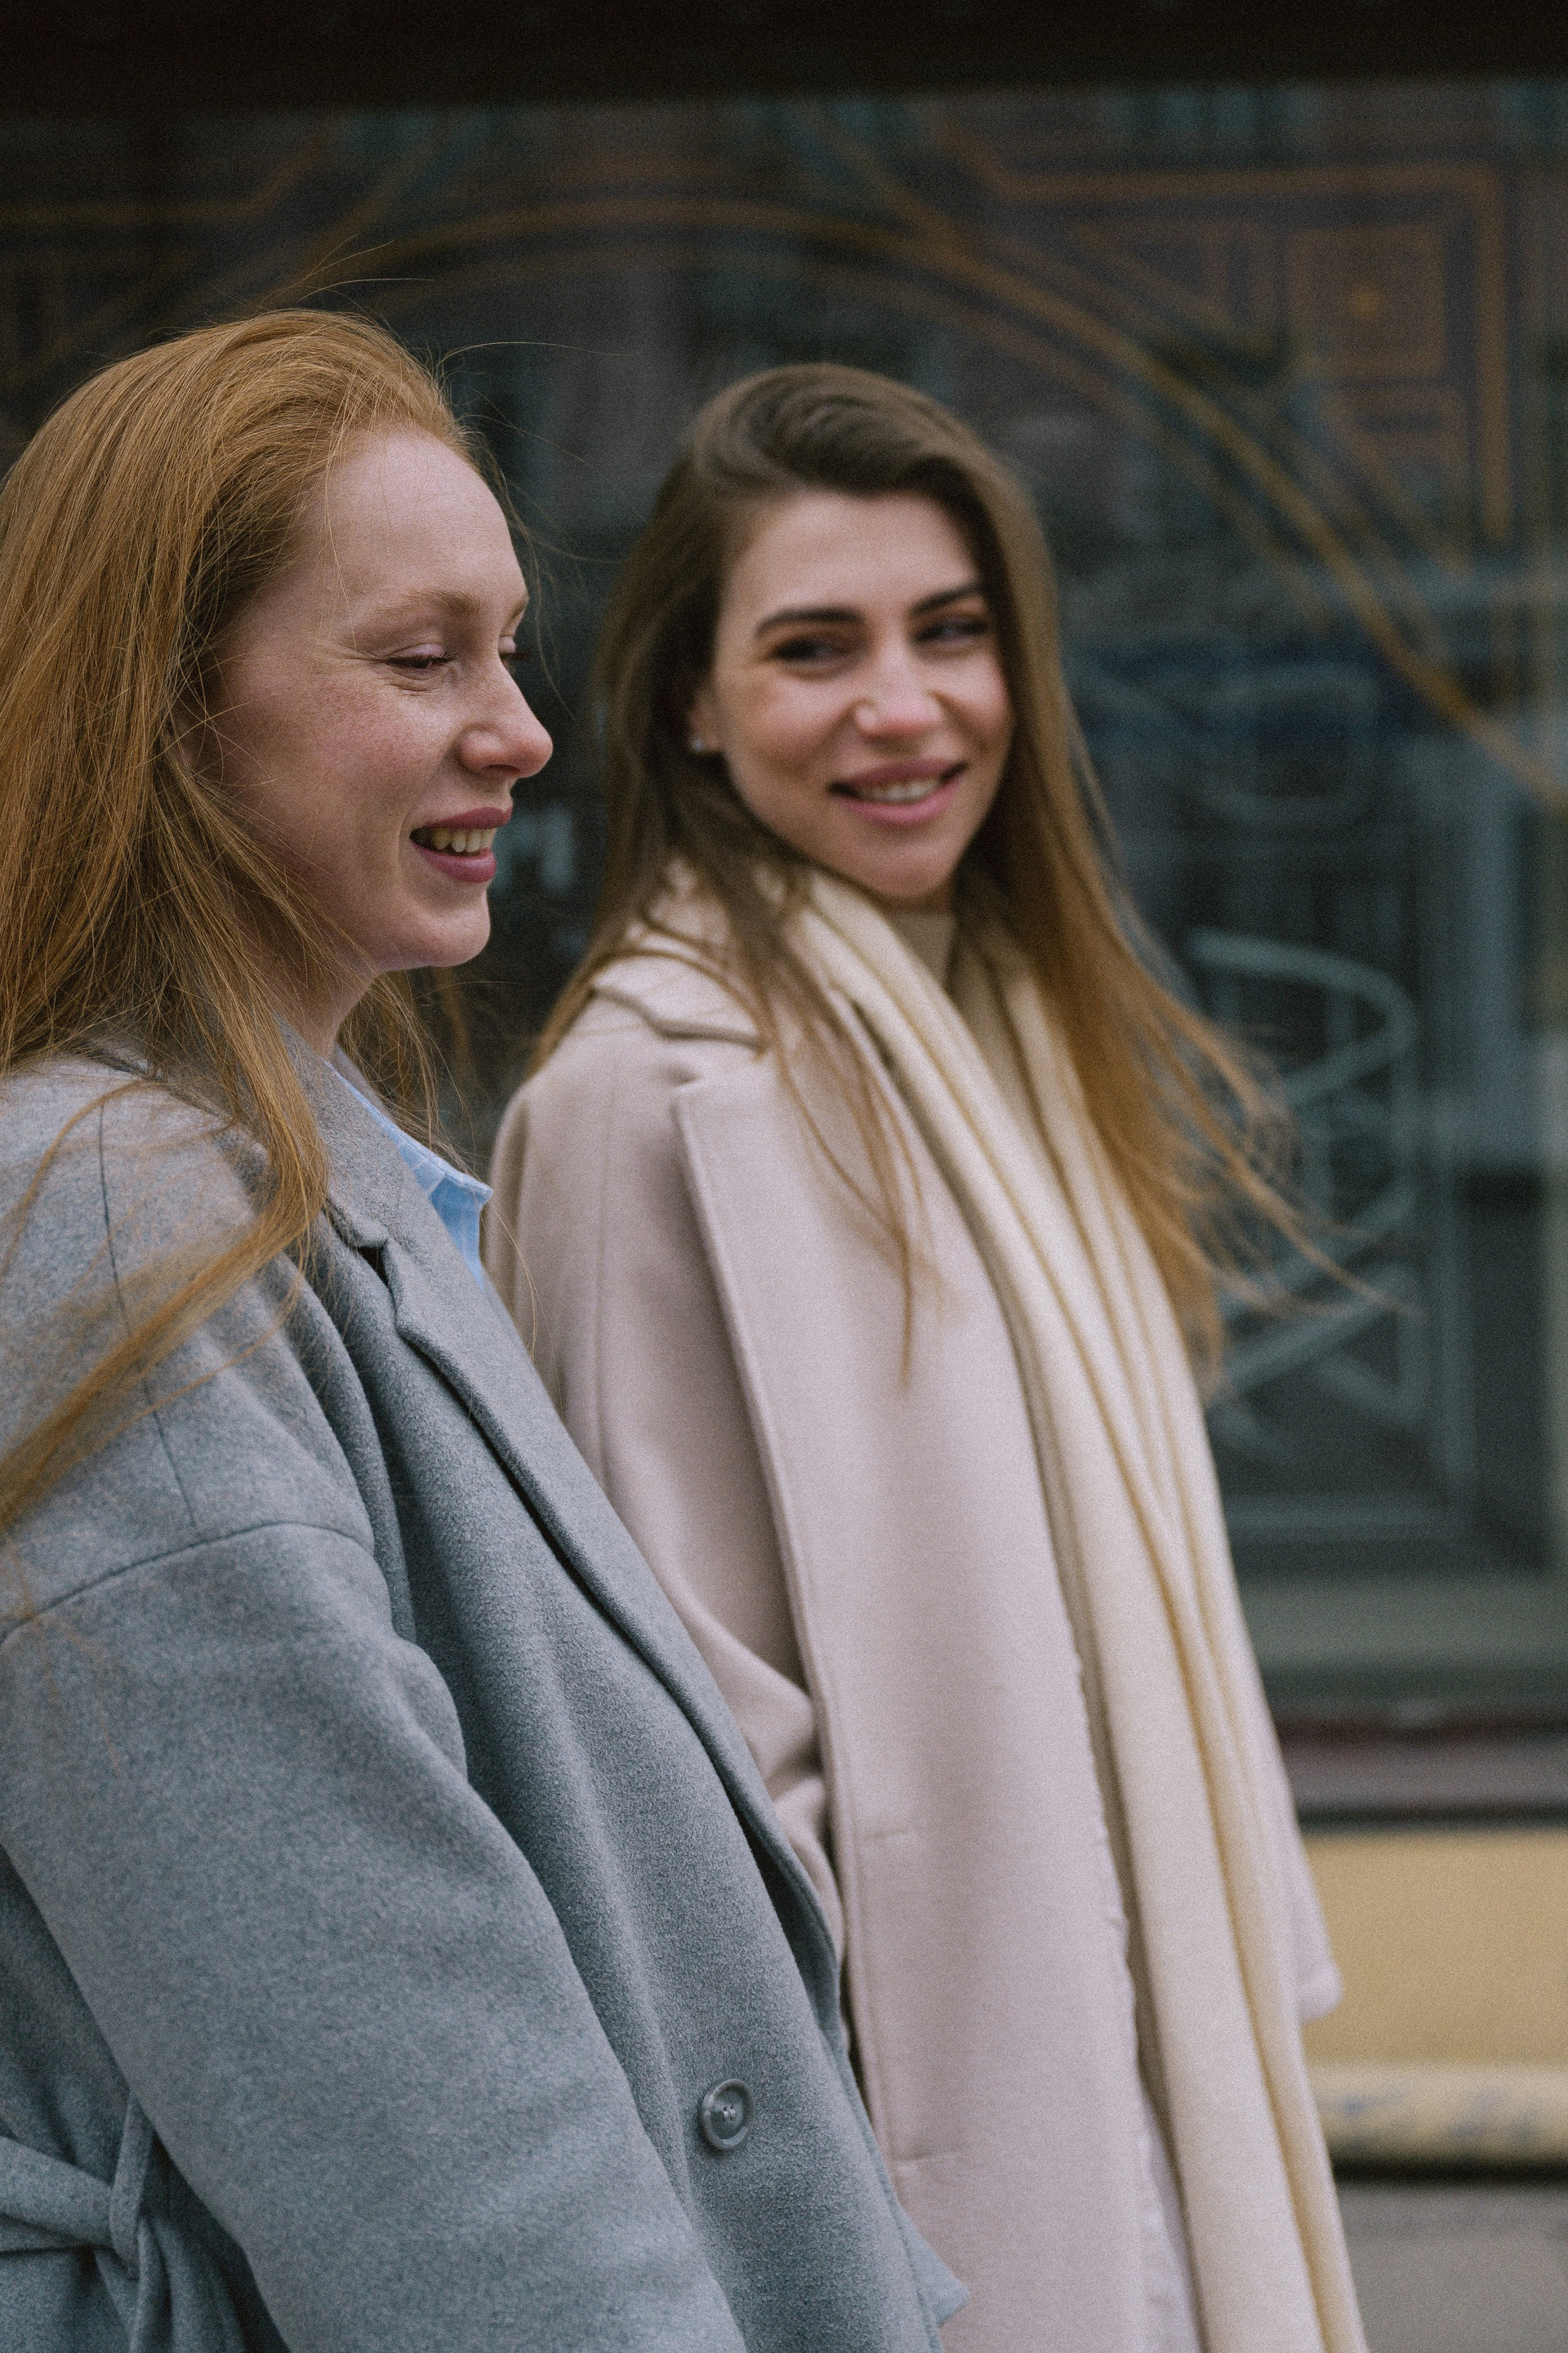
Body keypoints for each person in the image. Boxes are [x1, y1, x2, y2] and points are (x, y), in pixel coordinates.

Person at [0, 314, 965, 2353]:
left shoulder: (297, 1169)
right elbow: (412, 2108)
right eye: (421, 658)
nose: (519, 731)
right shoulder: (112, 1217)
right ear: (169, 709)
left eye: (508, 649)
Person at [487, 364, 1368, 2353]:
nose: (905, 706)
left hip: (1128, 2065)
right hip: (924, 2161)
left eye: (950, 633)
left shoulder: (1015, 1039)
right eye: (816, 649)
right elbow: (685, 1775)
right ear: (693, 703)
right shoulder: (652, 1101)